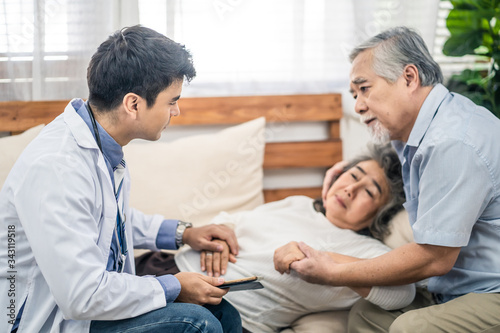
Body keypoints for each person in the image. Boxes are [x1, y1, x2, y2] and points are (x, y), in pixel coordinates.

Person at [0, 26, 242, 333]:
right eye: (172, 100)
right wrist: (172, 286)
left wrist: (183, 233)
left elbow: (105, 219)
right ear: (133, 104)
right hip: (51, 319)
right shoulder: (57, 167)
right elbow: (81, 296)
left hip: (86, 305)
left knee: (223, 314)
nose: (176, 111)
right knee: (197, 324)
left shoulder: (100, 142)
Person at [309, 26, 500, 332]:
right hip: (454, 286)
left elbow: (434, 258)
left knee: (409, 328)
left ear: (409, 78)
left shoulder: (452, 142)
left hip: (492, 291)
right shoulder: (412, 139)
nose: (357, 105)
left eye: (364, 88)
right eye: (354, 94)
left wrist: (334, 272)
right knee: (367, 314)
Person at [135, 144, 416, 333]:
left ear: (382, 212)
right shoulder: (299, 203)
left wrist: (326, 262)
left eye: (370, 192)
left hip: (214, 314)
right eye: (354, 175)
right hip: (164, 268)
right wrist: (221, 233)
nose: (351, 188)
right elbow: (238, 220)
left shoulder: (366, 250)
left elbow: (402, 293)